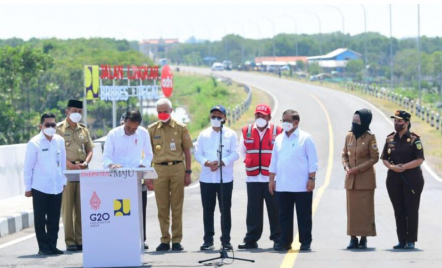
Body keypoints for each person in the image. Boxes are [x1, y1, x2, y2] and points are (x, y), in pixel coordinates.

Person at [147, 98, 193, 251]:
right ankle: (165, 239)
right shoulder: (152, 129)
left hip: (177, 168)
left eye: (165, 111)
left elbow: (187, 151)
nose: (162, 114)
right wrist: (148, 175)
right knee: (162, 206)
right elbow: (148, 153)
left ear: (171, 111)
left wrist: (188, 172)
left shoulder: (181, 128)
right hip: (159, 169)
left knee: (177, 206)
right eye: (159, 112)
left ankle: (177, 240)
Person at [102, 110, 153, 248]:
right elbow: (106, 157)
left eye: (133, 128)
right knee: (120, 211)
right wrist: (111, 164)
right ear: (124, 121)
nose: (130, 130)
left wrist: (143, 165)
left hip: (136, 179)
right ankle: (121, 238)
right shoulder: (113, 134)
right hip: (118, 179)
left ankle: (140, 239)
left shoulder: (143, 133)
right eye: (128, 127)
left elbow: (149, 154)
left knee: (138, 210)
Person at [269, 110, 318, 251]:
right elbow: (274, 161)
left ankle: (305, 241)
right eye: (283, 120)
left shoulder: (306, 138)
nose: (284, 123)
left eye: (287, 121)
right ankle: (285, 242)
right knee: (284, 216)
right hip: (283, 185)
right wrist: (271, 180)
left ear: (296, 122)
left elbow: (313, 161)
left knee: (304, 216)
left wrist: (311, 179)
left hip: (302, 185)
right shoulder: (279, 139)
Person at [194, 105, 239, 251]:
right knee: (208, 210)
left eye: (219, 117)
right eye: (213, 116)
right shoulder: (203, 135)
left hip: (224, 178)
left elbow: (235, 153)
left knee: (225, 210)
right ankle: (208, 240)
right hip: (207, 178)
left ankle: (226, 240)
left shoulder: (230, 134)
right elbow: (197, 153)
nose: (216, 119)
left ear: (225, 118)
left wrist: (222, 162)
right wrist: (206, 163)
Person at [238, 104, 282, 250]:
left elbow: (281, 154)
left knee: (275, 210)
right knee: (253, 211)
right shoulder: (247, 131)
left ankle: (278, 238)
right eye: (258, 115)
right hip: (253, 178)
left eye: (263, 116)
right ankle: (251, 239)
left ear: (269, 117)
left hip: (271, 179)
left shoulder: (278, 131)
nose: (260, 118)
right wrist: (251, 162)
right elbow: (242, 151)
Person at [381, 110, 425, 250]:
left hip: (412, 179)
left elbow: (420, 159)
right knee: (398, 210)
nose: (397, 123)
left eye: (399, 121)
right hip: (394, 179)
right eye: (395, 121)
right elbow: (384, 158)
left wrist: (404, 167)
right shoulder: (390, 139)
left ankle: (411, 240)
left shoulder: (414, 139)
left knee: (411, 210)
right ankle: (401, 240)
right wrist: (392, 167)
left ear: (406, 123)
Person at [24, 113, 67, 255]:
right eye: (47, 125)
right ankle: (43, 247)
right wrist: (27, 188)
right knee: (40, 219)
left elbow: (63, 164)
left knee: (54, 218)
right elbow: (28, 167)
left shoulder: (59, 140)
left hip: (56, 186)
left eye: (53, 125)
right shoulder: (34, 142)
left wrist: (63, 181)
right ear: (41, 126)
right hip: (39, 187)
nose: (50, 127)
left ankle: (52, 245)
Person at [56, 99, 94, 251]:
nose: (77, 114)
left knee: (81, 207)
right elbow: (57, 152)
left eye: (79, 112)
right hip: (67, 171)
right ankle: (70, 241)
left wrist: (86, 162)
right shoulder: (59, 129)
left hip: (82, 170)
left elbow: (90, 149)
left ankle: (80, 239)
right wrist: (69, 164)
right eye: (74, 111)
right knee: (68, 207)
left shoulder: (84, 130)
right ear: (67, 112)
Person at [341, 109, 379, 249]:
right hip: (351, 180)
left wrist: (359, 169)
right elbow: (344, 154)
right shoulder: (349, 136)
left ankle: (363, 238)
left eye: (357, 121)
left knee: (365, 210)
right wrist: (346, 167)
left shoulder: (370, 137)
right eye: (353, 120)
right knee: (352, 211)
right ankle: (352, 238)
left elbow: (374, 157)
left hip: (366, 180)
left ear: (365, 121)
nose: (354, 123)